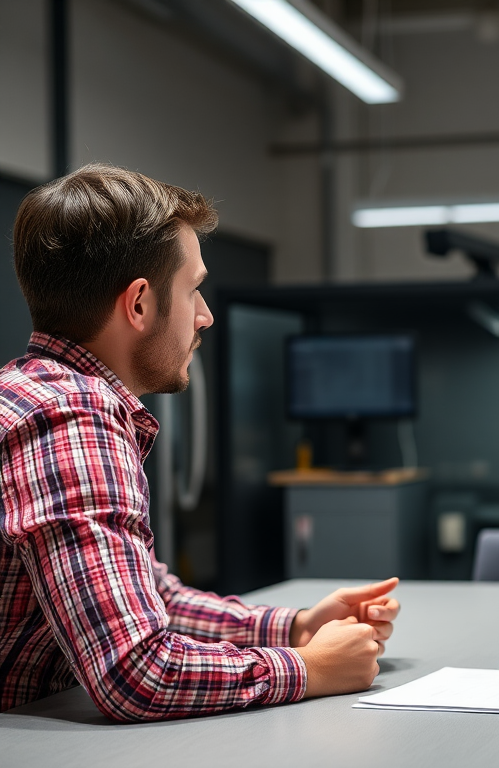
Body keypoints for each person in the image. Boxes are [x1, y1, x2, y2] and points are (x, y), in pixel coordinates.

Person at [0, 164, 399, 721]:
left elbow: (147, 600)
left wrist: (297, 626)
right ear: (138, 304)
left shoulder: (35, 393)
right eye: (194, 290)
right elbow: (136, 672)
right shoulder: (71, 418)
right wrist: (309, 669)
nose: (206, 316)